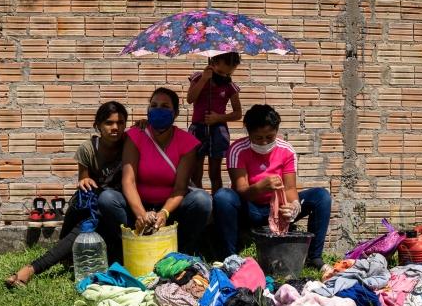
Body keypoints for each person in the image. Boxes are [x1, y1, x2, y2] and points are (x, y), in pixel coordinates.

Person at [4, 101, 128, 288]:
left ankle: (32, 268)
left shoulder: (130, 143)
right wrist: (85, 182)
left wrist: (143, 124)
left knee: (91, 220)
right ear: (98, 126)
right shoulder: (88, 149)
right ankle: (45, 263)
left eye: (120, 123)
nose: (115, 127)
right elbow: (84, 179)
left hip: (119, 208)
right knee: (85, 222)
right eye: (109, 123)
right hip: (95, 208)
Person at [213, 104, 332, 269]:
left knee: (322, 196)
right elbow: (241, 190)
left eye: (269, 137)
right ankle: (229, 257)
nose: (264, 142)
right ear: (249, 133)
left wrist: (294, 207)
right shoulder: (237, 150)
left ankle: (314, 257)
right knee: (223, 196)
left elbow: (290, 188)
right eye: (258, 138)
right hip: (251, 209)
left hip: (278, 209)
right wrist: (260, 187)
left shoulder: (287, 150)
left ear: (276, 131)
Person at [98, 87, 212, 255]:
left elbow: (180, 187)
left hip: (171, 210)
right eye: (154, 105)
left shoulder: (187, 142)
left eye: (165, 106)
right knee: (107, 199)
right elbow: (128, 181)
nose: (158, 109)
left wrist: (164, 213)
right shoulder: (136, 135)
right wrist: (141, 215)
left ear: (175, 113)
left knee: (202, 200)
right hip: (137, 208)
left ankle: (181, 252)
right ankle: (130, 247)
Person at [186, 52, 243, 193]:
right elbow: (190, 99)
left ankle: (217, 206)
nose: (223, 76)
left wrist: (218, 118)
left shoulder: (230, 86)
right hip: (197, 129)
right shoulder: (198, 77)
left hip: (218, 130)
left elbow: (238, 113)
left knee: (215, 172)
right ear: (213, 63)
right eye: (220, 72)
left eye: (228, 73)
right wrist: (204, 79)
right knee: (196, 172)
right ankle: (200, 204)